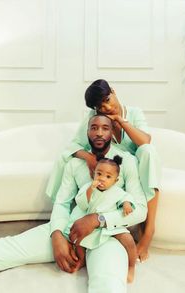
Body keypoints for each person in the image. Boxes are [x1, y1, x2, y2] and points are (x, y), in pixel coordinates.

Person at [0, 115, 147, 293]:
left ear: (113, 133)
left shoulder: (127, 161)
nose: (99, 133)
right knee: (1, 250)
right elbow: (62, 203)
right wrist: (57, 235)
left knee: (108, 284)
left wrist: (98, 219)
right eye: (93, 128)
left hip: (109, 236)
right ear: (87, 132)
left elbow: (140, 210)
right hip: (70, 229)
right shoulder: (75, 163)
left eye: (105, 128)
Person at [46, 79, 161, 262]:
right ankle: (60, 213)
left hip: (134, 165)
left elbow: (145, 140)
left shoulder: (134, 112)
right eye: (100, 107)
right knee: (64, 159)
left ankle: (148, 232)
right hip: (111, 167)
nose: (106, 108)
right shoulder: (95, 116)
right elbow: (74, 144)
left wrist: (120, 121)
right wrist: (89, 158)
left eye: (107, 100)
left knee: (148, 152)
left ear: (113, 91)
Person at [66, 155, 137, 283]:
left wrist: (126, 204)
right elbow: (82, 203)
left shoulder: (117, 191)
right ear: (93, 174)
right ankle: (82, 260)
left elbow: (126, 197)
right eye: (99, 174)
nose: (102, 179)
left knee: (129, 240)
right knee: (78, 241)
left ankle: (131, 266)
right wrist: (90, 190)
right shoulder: (88, 188)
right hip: (91, 226)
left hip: (109, 226)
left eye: (108, 176)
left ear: (116, 180)